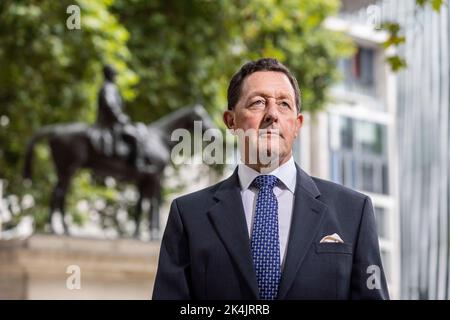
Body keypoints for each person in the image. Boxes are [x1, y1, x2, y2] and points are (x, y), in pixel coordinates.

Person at [152, 58, 389, 300]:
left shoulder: (353, 212)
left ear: (297, 125)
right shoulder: (189, 215)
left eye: (284, 104)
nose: (272, 114)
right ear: (231, 121)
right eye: (258, 103)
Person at [96, 65, 140, 169]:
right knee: (134, 136)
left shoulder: (108, 86)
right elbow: (110, 104)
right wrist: (120, 117)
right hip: (110, 123)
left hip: (111, 122)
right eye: (115, 75)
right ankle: (135, 166)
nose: (116, 77)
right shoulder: (109, 87)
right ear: (110, 75)